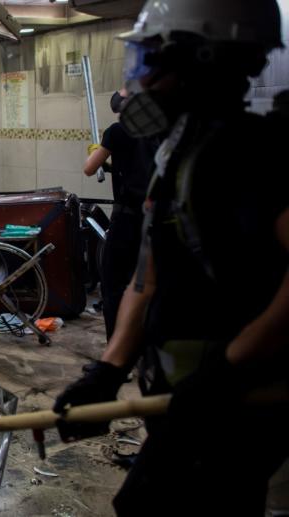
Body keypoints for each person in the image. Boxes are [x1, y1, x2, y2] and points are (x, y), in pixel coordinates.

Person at [53, 1, 289, 515]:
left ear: (201, 60)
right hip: (187, 395)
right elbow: (147, 279)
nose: (136, 83)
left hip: (238, 401)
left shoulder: (254, 154)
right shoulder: (176, 151)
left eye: (147, 62)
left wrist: (226, 370)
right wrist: (108, 371)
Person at [82, 90, 159, 339]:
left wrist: (98, 152)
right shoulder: (159, 131)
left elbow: (88, 169)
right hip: (155, 220)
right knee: (147, 285)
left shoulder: (117, 130)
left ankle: (116, 355)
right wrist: (111, 165)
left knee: (114, 286)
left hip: (126, 221)